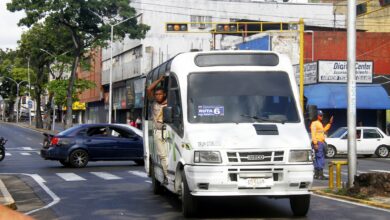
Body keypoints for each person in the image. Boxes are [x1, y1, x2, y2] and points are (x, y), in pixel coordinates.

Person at [147, 75, 168, 185]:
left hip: (170, 132)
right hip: (158, 132)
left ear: (164, 94)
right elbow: (149, 89)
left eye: (160, 94)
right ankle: (166, 176)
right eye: (156, 95)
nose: (158, 96)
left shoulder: (169, 102)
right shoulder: (153, 103)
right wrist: (159, 80)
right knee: (163, 156)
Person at [310, 110, 333, 180]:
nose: (322, 116)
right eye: (320, 115)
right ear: (317, 116)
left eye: (322, 115)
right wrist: (315, 143)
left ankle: (317, 174)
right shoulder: (314, 123)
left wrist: (329, 123)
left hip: (320, 142)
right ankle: (320, 175)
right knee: (320, 158)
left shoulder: (319, 123)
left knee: (317, 158)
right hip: (318, 142)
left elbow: (323, 130)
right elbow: (313, 134)